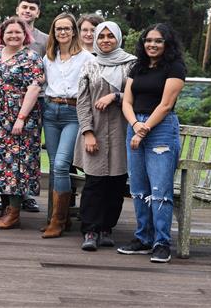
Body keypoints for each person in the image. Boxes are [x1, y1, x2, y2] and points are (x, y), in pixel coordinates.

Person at [119, 23, 186, 264]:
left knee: (160, 191)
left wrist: (143, 130)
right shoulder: (137, 67)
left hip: (161, 129)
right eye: (148, 40)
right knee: (138, 189)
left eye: (158, 41)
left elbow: (166, 104)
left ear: (166, 44)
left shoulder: (175, 67)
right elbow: (127, 101)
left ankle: (161, 243)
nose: (152, 45)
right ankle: (143, 239)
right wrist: (135, 126)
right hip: (135, 125)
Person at [0, 17, 45, 229]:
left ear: (26, 35)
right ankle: (5, 208)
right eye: (9, 33)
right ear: (1, 35)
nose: (14, 36)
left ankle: (14, 212)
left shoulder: (31, 57)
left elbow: (34, 88)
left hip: (18, 117)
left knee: (16, 164)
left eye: (18, 32)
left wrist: (21, 118)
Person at [74, 22, 136, 251]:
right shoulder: (90, 64)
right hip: (96, 130)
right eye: (102, 36)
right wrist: (87, 132)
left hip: (121, 130)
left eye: (111, 36)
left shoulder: (131, 65)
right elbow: (82, 101)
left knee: (116, 182)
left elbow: (137, 94)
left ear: (118, 38)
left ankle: (107, 228)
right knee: (94, 182)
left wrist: (115, 97)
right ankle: (90, 230)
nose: (106, 40)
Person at [40, 13, 94, 238]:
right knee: (54, 165)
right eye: (58, 28)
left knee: (62, 163)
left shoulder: (87, 58)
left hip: (73, 112)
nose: (62, 32)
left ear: (74, 31)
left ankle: (58, 220)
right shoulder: (48, 58)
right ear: (54, 32)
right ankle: (56, 217)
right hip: (50, 111)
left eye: (67, 28)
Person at [8, 0, 48, 214]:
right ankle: (8, 195)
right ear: (17, 9)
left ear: (38, 12)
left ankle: (27, 195)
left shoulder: (45, 39)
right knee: (9, 149)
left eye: (32, 8)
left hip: (37, 100)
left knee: (29, 149)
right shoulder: (8, 33)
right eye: (24, 7)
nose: (28, 11)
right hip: (9, 101)